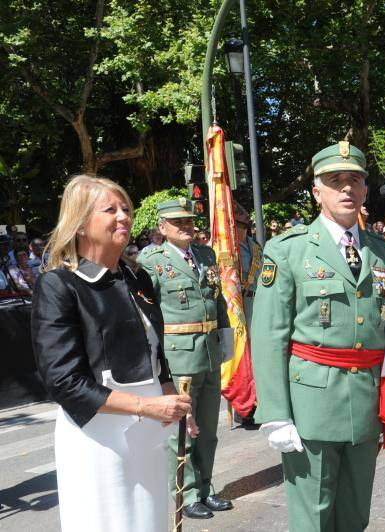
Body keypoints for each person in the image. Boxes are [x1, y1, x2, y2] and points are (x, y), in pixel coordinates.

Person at [31, 175, 196, 532]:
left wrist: (173, 402)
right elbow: (63, 381)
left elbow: (156, 354)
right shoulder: (59, 284)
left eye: (126, 209)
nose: (123, 216)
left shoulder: (138, 279)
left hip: (149, 431)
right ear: (80, 225)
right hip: (98, 436)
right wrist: (145, 407)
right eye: (110, 210)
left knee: (148, 522)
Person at [251, 141, 385, 532]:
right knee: (313, 517)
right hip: (311, 405)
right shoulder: (289, 250)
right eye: (335, 181)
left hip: (367, 400)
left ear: (366, 189)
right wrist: (275, 414)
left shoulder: (381, 252)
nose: (347, 188)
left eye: (355, 180)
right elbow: (268, 335)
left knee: (354, 515)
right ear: (317, 192)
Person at [138, 198, 233, 520]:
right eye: (178, 223)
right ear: (162, 228)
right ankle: (187, 492)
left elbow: (217, 301)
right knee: (181, 429)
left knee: (207, 427)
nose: (186, 227)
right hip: (178, 355)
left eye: (190, 221)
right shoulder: (151, 261)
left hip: (208, 351)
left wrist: (226, 339)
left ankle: (206, 488)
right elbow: (147, 314)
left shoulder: (205, 255)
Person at [234, 202, 263, 326]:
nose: (246, 215)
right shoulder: (230, 248)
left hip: (260, 302)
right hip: (241, 305)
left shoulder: (255, 245)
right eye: (240, 213)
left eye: (246, 212)